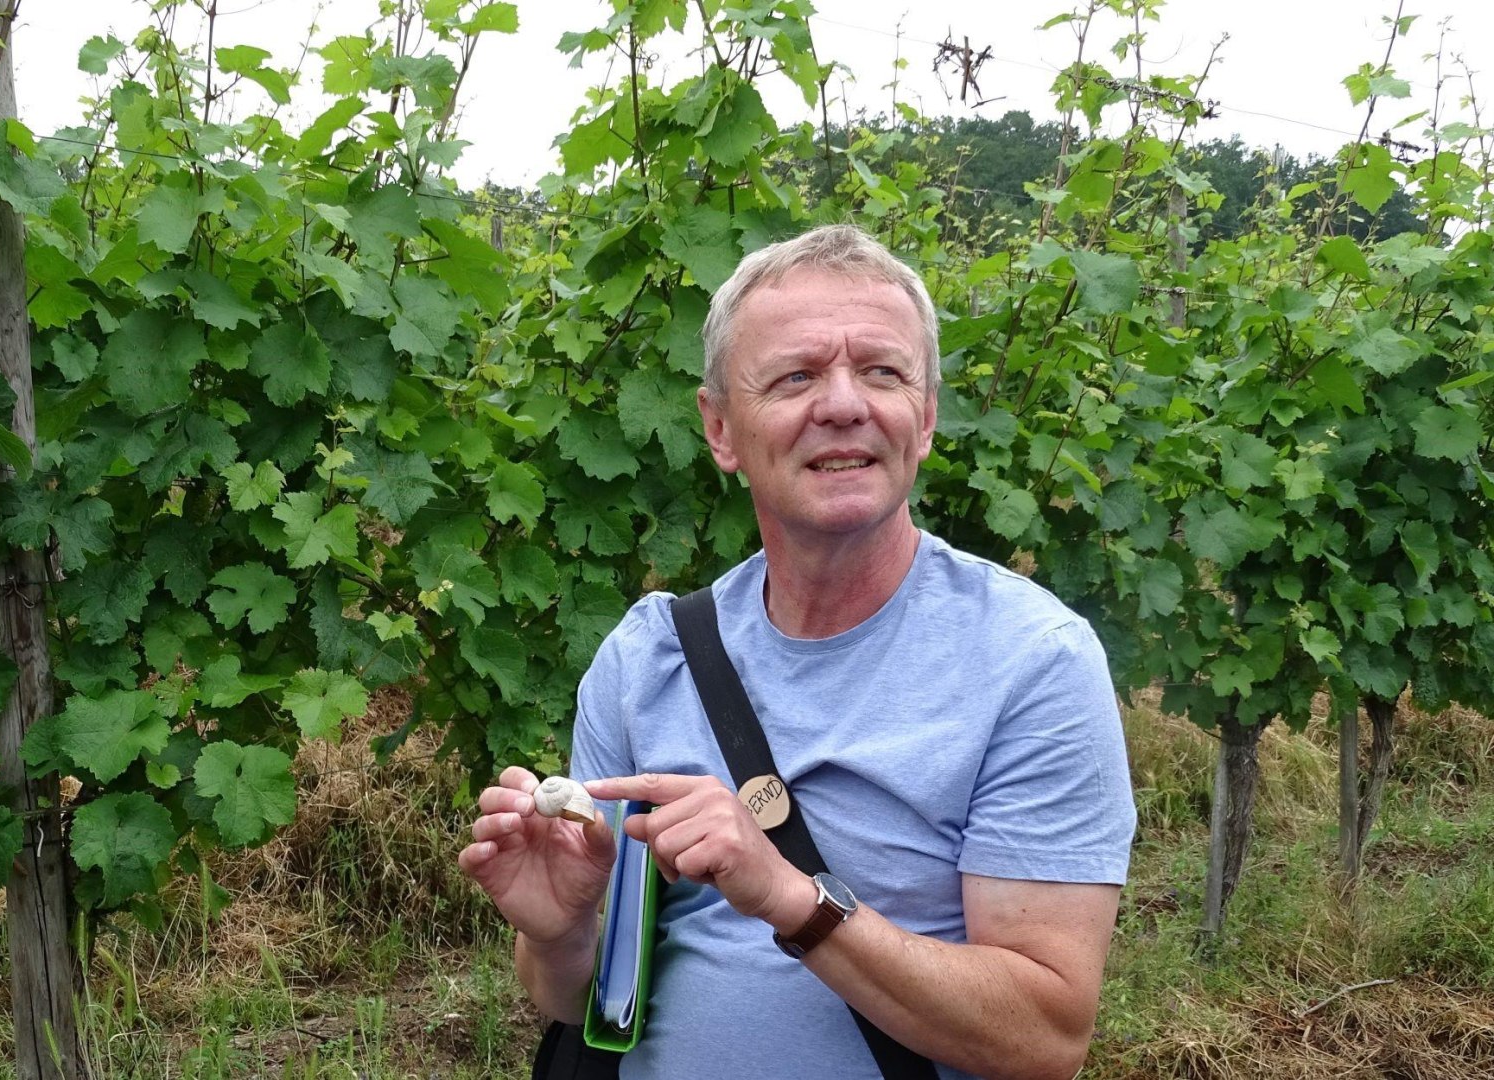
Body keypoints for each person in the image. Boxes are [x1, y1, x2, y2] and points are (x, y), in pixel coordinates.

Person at [458, 224, 1137, 1080]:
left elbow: (1043, 1037)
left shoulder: (1032, 661)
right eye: (796, 376)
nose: (845, 404)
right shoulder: (648, 657)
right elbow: (579, 1000)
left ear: (926, 419)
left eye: (883, 372)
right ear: (721, 430)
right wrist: (559, 935)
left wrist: (787, 896)